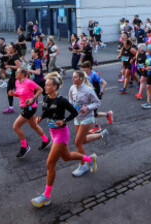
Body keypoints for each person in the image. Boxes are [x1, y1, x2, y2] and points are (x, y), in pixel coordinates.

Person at [31, 73, 97, 208]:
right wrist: (41, 117)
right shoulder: (45, 98)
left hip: (61, 134)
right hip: (52, 132)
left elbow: (74, 112)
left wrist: (64, 121)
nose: (45, 87)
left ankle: (46, 197)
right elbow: (46, 111)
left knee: (50, 164)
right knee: (66, 157)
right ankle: (90, 159)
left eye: (47, 85)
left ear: (55, 87)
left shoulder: (61, 100)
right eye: (45, 85)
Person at [69, 70, 108, 177]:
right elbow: (71, 100)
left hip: (87, 118)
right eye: (73, 77)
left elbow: (97, 103)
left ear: (81, 78)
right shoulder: (72, 88)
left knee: (78, 142)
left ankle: (83, 165)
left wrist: (87, 107)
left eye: (75, 77)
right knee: (82, 141)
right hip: (77, 117)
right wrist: (72, 108)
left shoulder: (88, 90)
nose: (73, 79)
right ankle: (101, 135)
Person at [9, 67, 49, 158]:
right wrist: (13, 94)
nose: (15, 74)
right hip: (23, 107)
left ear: (23, 74)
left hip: (30, 108)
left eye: (17, 72)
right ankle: (45, 140)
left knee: (16, 126)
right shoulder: (17, 82)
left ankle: (24, 146)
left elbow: (40, 90)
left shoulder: (29, 82)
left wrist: (33, 98)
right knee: (34, 125)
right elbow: (20, 94)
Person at [81, 61, 113, 134]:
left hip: (94, 96)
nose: (83, 69)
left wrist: (101, 94)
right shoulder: (84, 74)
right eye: (82, 68)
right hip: (88, 95)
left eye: (84, 68)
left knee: (91, 112)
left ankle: (97, 126)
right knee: (93, 113)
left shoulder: (94, 75)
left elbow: (104, 83)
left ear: (89, 68)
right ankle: (108, 114)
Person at [3, 44, 22, 114]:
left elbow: (19, 66)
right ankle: (11, 107)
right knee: (9, 90)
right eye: (9, 47)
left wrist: (9, 66)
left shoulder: (15, 57)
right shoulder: (11, 55)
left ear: (14, 49)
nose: (9, 49)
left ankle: (30, 102)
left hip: (16, 76)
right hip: (12, 76)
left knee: (20, 92)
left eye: (10, 48)